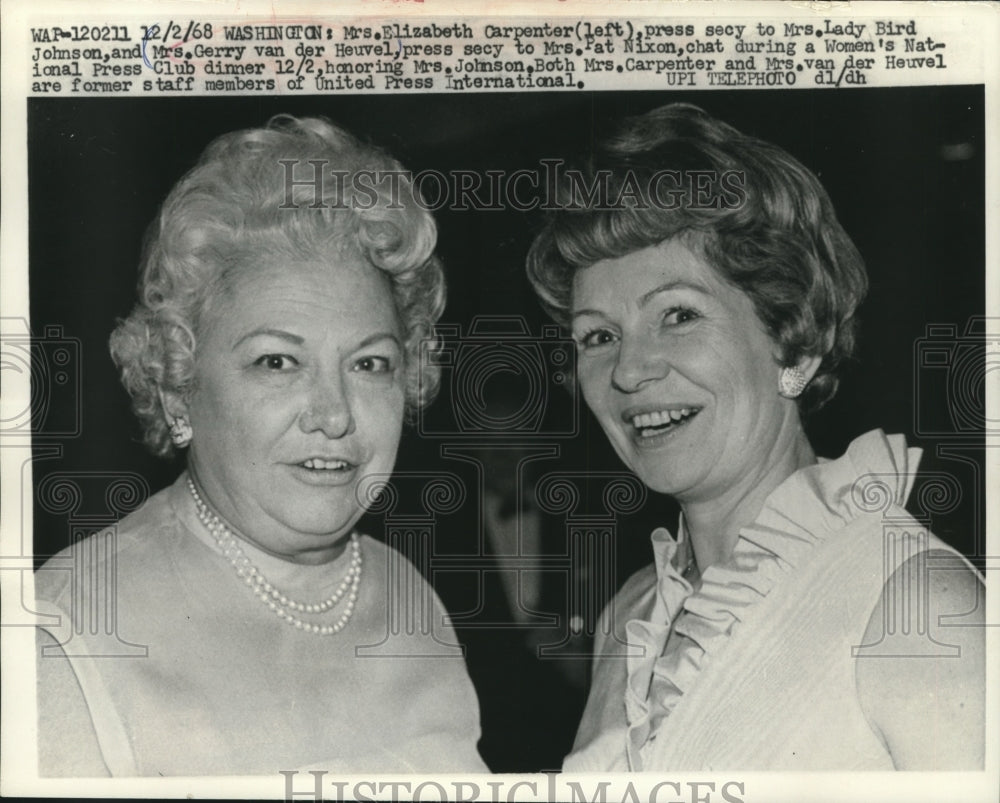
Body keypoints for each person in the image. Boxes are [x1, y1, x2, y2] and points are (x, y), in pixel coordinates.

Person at [526, 103, 985, 771]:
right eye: (598, 335)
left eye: (676, 314)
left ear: (795, 346)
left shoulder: (918, 606)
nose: (628, 370)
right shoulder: (630, 612)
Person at [34, 116, 486, 776]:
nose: (334, 414)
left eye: (369, 363)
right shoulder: (65, 629)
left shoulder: (413, 599)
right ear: (177, 384)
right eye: (277, 361)